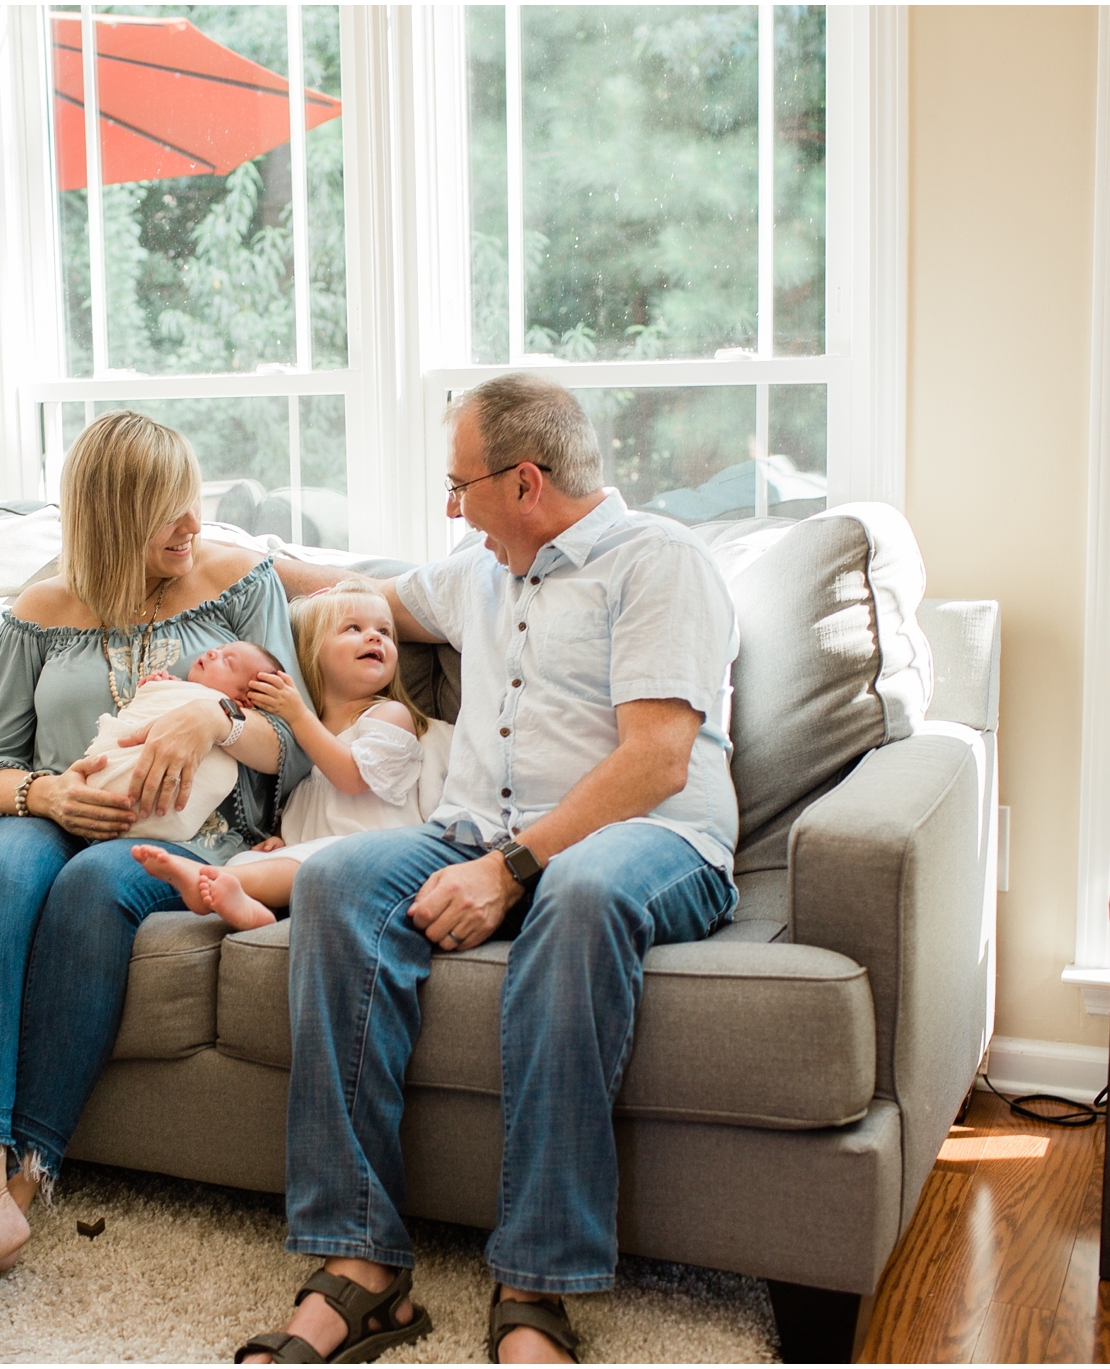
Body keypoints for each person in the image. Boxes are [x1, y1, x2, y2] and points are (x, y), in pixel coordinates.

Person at [242, 374, 741, 1364]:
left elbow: (654, 761)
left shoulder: (658, 563)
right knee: (338, 882)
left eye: (455, 483)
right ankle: (362, 1268)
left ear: (522, 481)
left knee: (582, 892)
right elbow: (360, 589)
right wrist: (222, 561)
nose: (445, 506)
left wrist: (510, 870)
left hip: (652, 837)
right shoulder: (479, 570)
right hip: (477, 831)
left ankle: (535, 1287)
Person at [0, 409, 311, 1320]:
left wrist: (216, 717)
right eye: (168, 509)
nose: (191, 525)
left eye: (194, 502)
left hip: (193, 836)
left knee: (93, 883)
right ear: (113, 513)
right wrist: (45, 796)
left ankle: (22, 1190)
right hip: (59, 804)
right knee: (5, 868)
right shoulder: (42, 610)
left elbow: (299, 747)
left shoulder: (241, 585)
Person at [133, 577, 454, 930]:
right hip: (315, 857)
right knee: (247, 860)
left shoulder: (387, 714)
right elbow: (313, 808)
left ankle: (208, 877)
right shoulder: (301, 743)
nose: (375, 636)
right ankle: (253, 912)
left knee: (312, 862)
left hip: (374, 855)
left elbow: (350, 778)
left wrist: (298, 715)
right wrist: (283, 839)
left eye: (386, 632)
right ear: (311, 651)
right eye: (353, 628)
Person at [82, 639, 285, 842]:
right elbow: (146, 707)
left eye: (228, 662)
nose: (213, 652)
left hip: (149, 809)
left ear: (242, 703)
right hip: (93, 780)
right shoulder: (174, 688)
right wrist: (156, 686)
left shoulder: (229, 712)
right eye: (219, 649)